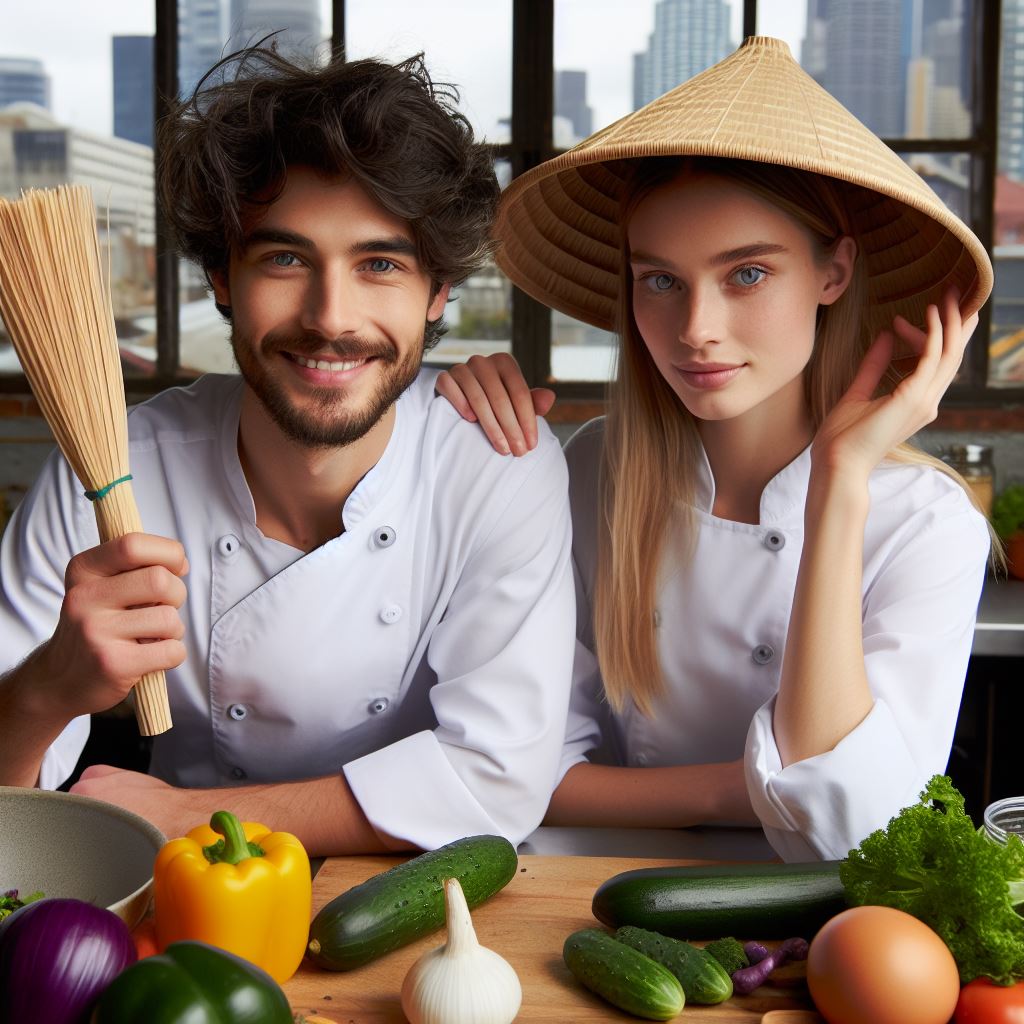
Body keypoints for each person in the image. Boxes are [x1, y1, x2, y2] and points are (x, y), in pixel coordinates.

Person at [0, 46, 576, 856]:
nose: (330, 317)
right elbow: (7, 809)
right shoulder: (110, 469)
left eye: (379, 264)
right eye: (284, 258)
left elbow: (495, 782)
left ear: (439, 291)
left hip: (405, 893)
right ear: (222, 277)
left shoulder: (496, 470)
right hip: (187, 893)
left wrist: (188, 817)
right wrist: (47, 690)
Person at [437, 36, 994, 861]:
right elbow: (518, 775)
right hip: (582, 903)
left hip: (817, 935)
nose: (695, 330)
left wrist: (840, 483)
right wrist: (759, 790)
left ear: (833, 271)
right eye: (659, 279)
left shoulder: (926, 523)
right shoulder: (588, 472)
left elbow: (855, 827)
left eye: (747, 275)